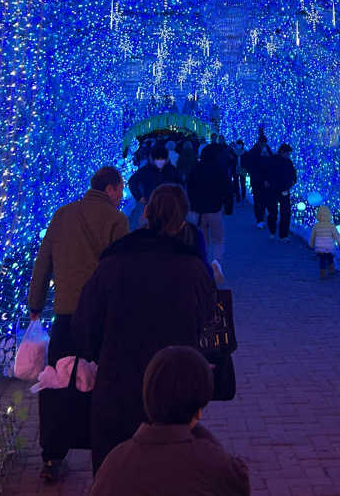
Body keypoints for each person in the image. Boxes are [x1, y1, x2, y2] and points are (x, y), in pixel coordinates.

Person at [73, 184, 216, 475]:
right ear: (183, 219)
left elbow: (85, 326)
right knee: (171, 473)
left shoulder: (113, 264)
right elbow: (207, 325)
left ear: (146, 213)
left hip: (118, 385)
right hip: (175, 389)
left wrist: (99, 352)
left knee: (115, 472)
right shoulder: (193, 270)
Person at [28, 166, 128, 483]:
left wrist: (35, 305)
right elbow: (121, 270)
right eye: (120, 189)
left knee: (58, 384)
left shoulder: (63, 215)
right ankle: (106, 456)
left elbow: (43, 262)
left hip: (66, 314)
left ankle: (52, 457)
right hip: (102, 317)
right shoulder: (117, 220)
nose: (121, 195)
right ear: (111, 189)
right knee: (102, 384)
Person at [89, 346, 250, 496]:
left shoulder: (115, 462)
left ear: (147, 398)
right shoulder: (214, 463)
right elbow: (240, 486)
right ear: (200, 406)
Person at [186, 145, 233, 274]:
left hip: (198, 210)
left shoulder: (196, 168)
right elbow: (228, 188)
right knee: (218, 238)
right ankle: (217, 261)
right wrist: (228, 206)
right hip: (214, 208)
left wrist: (192, 205)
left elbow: (189, 187)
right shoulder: (219, 169)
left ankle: (203, 262)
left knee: (202, 237)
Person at [128, 144, 182, 228]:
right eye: (158, 159)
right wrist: (139, 197)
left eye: (162, 159)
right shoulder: (146, 170)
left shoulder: (171, 170)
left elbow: (180, 183)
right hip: (151, 205)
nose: (160, 161)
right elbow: (132, 182)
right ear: (153, 159)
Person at [263, 143, 297, 242]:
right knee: (273, 212)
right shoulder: (273, 160)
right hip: (273, 190)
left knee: (286, 213)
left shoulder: (289, 162)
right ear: (282, 152)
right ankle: (272, 231)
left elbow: (293, 175)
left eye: (289, 153)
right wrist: (266, 181)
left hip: (284, 190)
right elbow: (266, 172)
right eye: (287, 153)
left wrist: (292, 182)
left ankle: (283, 235)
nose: (288, 155)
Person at [242, 129, 272, 227]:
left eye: (265, 143)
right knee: (258, 200)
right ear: (259, 143)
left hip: (266, 180)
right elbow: (249, 165)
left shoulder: (267, 150)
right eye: (262, 143)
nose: (263, 145)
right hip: (257, 180)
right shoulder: (253, 152)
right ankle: (259, 219)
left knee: (265, 199)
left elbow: (272, 162)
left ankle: (263, 217)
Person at [309, 205, 340, 278]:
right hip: (329, 246)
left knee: (322, 260)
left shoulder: (316, 226)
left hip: (320, 247)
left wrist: (311, 244)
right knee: (330, 258)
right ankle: (331, 269)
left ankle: (323, 274)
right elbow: (336, 236)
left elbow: (312, 236)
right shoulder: (331, 226)